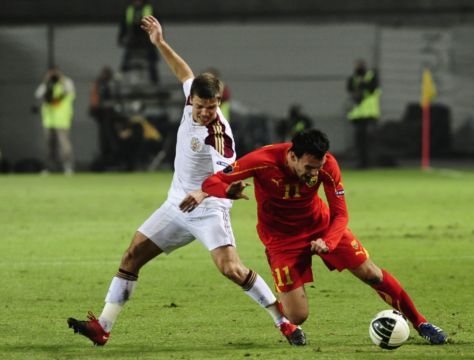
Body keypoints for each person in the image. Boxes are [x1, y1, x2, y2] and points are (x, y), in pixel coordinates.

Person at [67, 15, 305, 347]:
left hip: (209, 208)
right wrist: (160, 43)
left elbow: (226, 176)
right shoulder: (190, 94)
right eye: (204, 105)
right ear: (191, 99)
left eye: (214, 105)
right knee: (132, 255)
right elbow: (184, 72)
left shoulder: (218, 135)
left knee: (231, 269)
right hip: (177, 202)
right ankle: (103, 327)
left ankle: (284, 323)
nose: (209, 112)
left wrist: (212, 192)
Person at [200, 129, 448, 345]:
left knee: (371, 273)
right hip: (281, 239)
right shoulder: (262, 160)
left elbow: (340, 214)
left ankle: (421, 323)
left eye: (317, 168)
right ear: (293, 156)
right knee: (297, 315)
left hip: (321, 226)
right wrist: (227, 191)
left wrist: (328, 241)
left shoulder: (327, 166)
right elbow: (212, 181)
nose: (313, 174)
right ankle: (283, 323)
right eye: (308, 168)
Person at [34, 67, 76, 175]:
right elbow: (38, 94)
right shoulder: (47, 84)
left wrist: (61, 80)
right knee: (49, 146)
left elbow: (70, 92)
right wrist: (46, 81)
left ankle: (68, 167)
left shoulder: (66, 82)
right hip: (49, 121)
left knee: (64, 145)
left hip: (62, 120)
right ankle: (49, 168)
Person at [346, 59, 381, 168]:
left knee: (370, 140)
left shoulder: (371, 76)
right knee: (359, 141)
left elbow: (374, 89)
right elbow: (349, 89)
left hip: (370, 114)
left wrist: (363, 84)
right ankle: (361, 163)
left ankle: (371, 162)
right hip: (358, 115)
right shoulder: (353, 78)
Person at [118, 0, 159, 83]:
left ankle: (154, 78)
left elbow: (156, 24)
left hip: (146, 38)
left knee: (152, 56)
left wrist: (157, 39)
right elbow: (124, 24)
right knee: (127, 54)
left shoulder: (149, 8)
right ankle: (121, 74)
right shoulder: (129, 9)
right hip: (133, 38)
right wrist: (121, 37)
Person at [89, 66, 119, 169]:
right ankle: (108, 161)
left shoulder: (104, 84)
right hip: (103, 116)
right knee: (106, 140)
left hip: (106, 117)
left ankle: (112, 161)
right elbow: (98, 102)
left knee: (108, 139)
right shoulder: (101, 84)